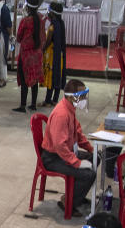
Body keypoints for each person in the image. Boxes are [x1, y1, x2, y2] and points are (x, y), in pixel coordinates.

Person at [40, 79, 95, 216]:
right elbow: (60, 146)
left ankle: (76, 195)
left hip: (65, 152)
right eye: (81, 95)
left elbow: (78, 133)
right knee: (89, 174)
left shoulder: (70, 108)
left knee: (95, 158)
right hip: (53, 158)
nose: (83, 98)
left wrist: (90, 149)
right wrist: (77, 163)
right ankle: (68, 202)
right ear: (71, 96)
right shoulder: (62, 114)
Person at [12, 0, 45, 112]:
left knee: (24, 79)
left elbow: (19, 37)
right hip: (37, 54)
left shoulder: (25, 21)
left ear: (27, 7)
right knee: (34, 79)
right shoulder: (40, 20)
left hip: (26, 55)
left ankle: (22, 106)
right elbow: (42, 37)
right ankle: (33, 104)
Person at [42, 2, 68, 106]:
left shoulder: (52, 27)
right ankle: (55, 99)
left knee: (51, 77)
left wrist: (42, 50)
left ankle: (48, 100)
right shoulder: (61, 23)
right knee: (58, 75)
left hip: (52, 56)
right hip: (60, 55)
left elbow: (48, 42)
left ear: (52, 12)